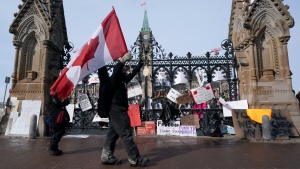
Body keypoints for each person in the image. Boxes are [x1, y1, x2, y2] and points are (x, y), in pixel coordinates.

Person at [99, 53, 149, 167]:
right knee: (126, 133)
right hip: (117, 109)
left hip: (117, 109)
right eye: (124, 68)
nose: (126, 69)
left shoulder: (122, 80)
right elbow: (116, 71)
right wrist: (122, 60)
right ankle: (135, 159)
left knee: (112, 134)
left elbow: (130, 76)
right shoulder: (114, 79)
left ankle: (106, 156)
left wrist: (138, 66)